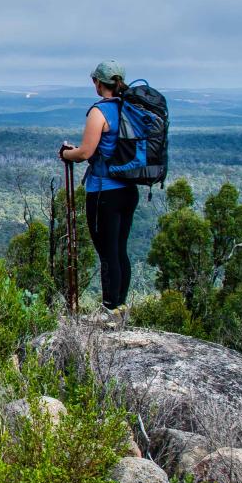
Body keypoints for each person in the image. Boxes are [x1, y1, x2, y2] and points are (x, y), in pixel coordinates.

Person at [58, 60, 138, 312]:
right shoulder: (130, 108)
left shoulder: (99, 112)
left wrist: (66, 154)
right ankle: (120, 305)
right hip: (129, 189)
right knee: (120, 249)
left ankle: (109, 307)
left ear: (98, 83)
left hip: (104, 192)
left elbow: (85, 153)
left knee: (107, 252)